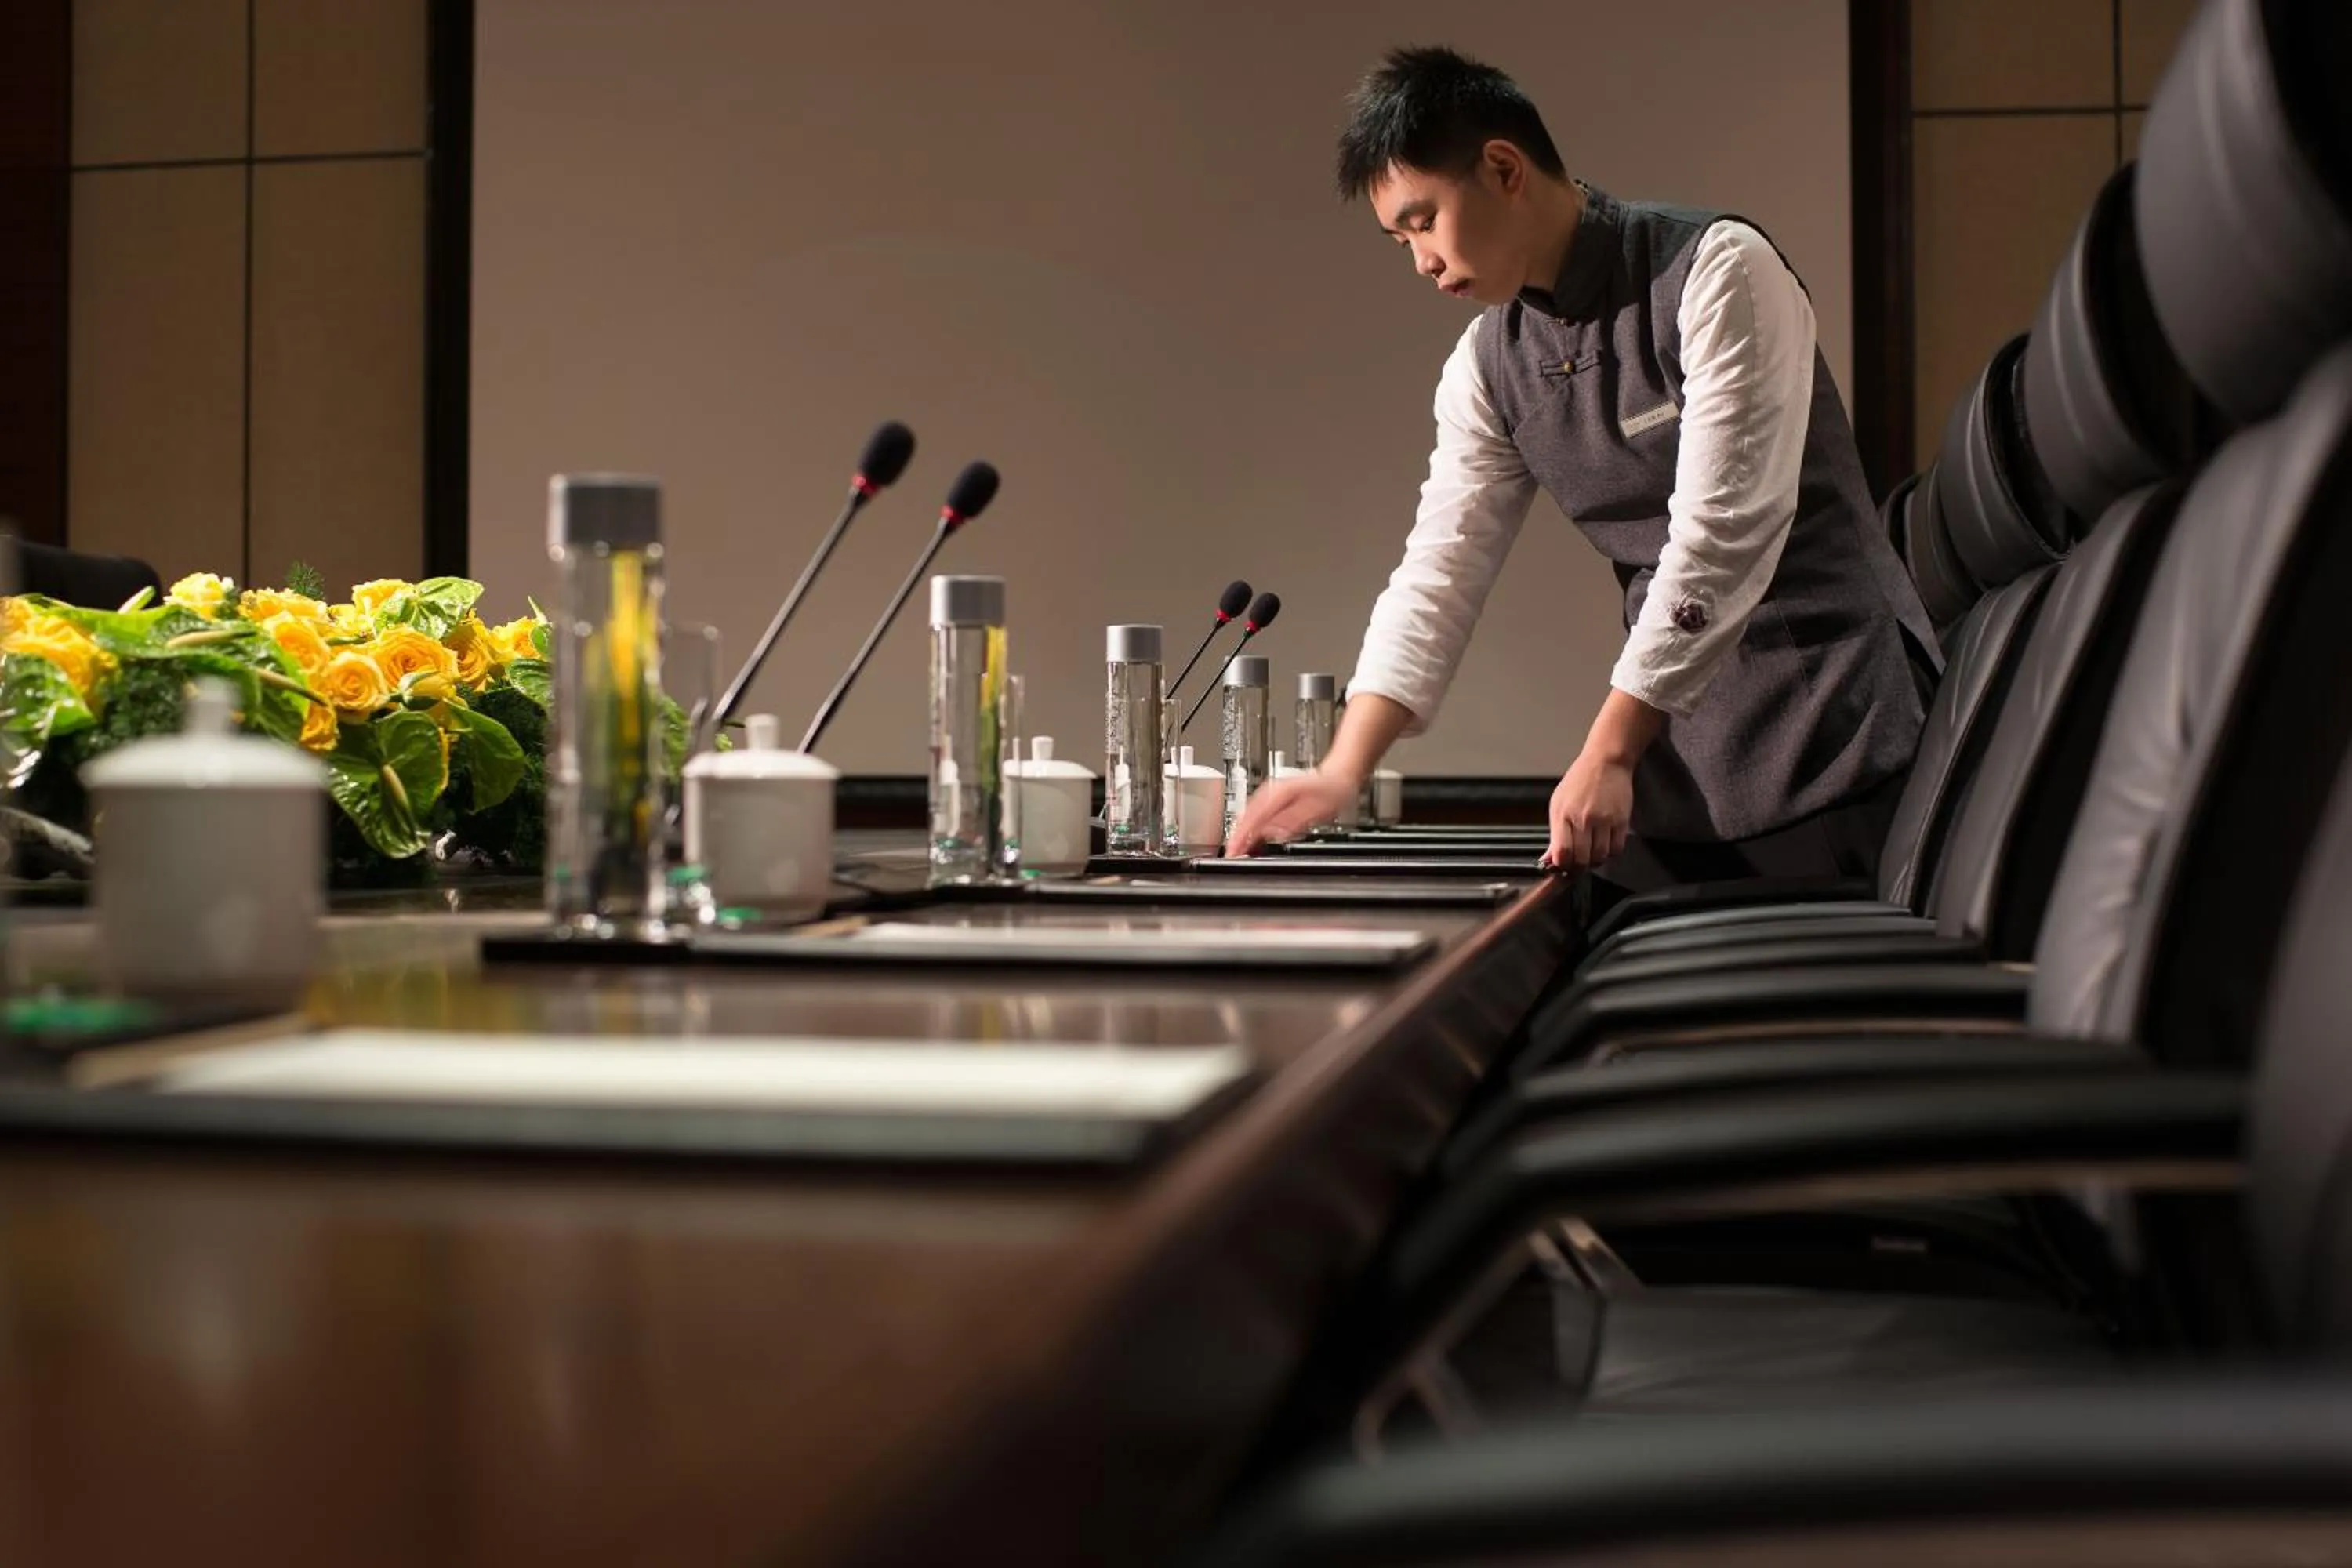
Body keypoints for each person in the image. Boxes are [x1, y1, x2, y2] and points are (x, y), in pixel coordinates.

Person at [1225, 47, 1938, 889]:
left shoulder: (1717, 270)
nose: (1419, 258)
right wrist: (1344, 769)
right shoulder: (1488, 366)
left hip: (1839, 726)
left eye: (1424, 220)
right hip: (1681, 748)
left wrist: (1607, 749)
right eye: (1399, 237)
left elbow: (1723, 536)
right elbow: (1439, 571)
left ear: (1502, 167)